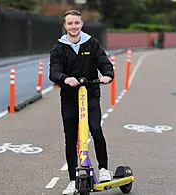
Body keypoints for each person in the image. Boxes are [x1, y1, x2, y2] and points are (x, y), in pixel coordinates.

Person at [49, 9, 114, 195]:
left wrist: (108, 75)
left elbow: (104, 63)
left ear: (81, 24)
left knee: (95, 129)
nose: (73, 27)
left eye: (76, 23)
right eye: (70, 23)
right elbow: (54, 72)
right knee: (71, 138)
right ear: (65, 26)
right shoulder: (58, 48)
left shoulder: (92, 44)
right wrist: (65, 78)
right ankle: (72, 180)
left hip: (90, 94)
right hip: (69, 98)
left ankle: (103, 169)